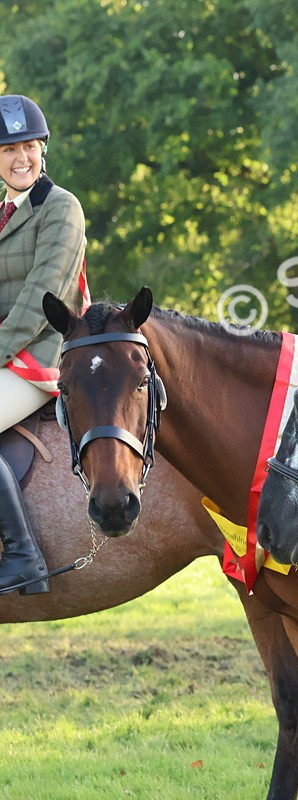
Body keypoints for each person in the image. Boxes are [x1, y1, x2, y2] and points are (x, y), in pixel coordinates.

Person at [0, 95, 88, 593]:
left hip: (41, 356)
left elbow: (41, 298)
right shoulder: (1, 214)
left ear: (43, 151)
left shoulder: (61, 208)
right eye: (9, 149)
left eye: (29, 146)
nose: (21, 158)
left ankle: (22, 557)